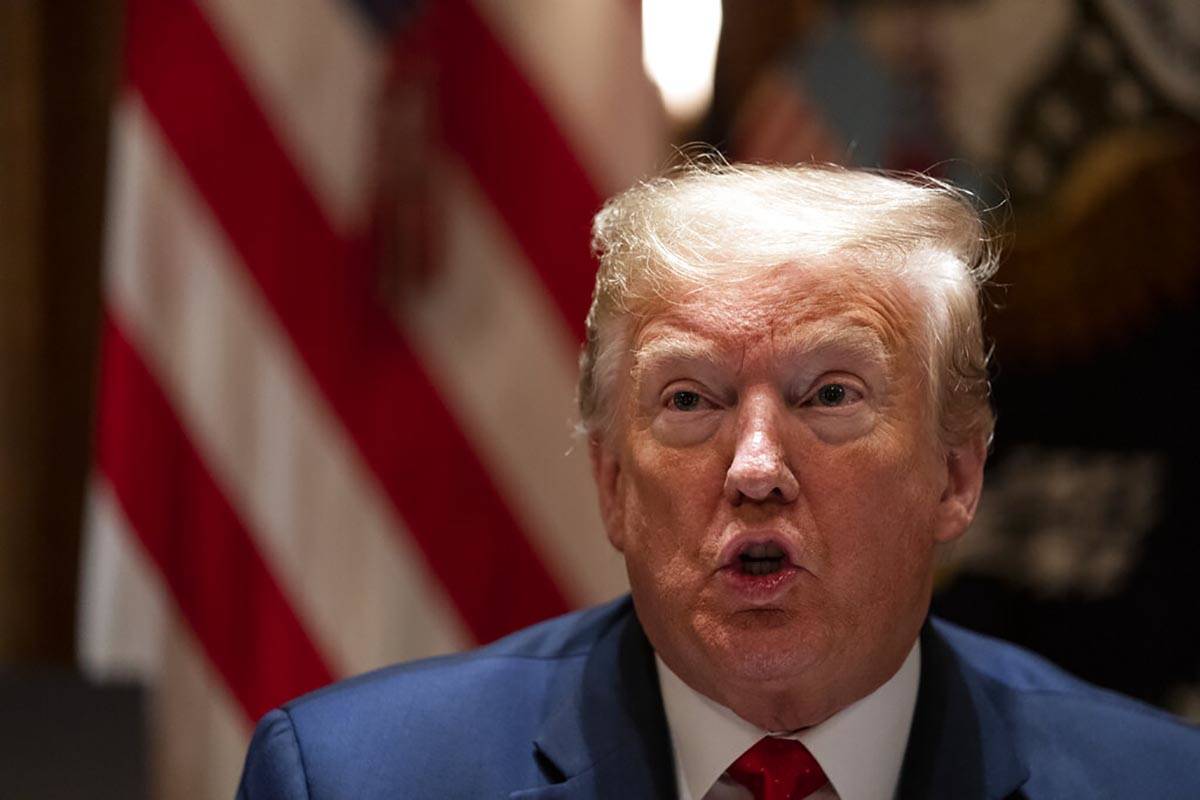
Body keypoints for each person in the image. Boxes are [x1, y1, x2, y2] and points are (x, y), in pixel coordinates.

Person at [237, 163, 1200, 799]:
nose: (754, 469)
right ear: (612, 482)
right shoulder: (358, 780)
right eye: (690, 401)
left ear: (956, 474)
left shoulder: (1156, 784)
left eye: (829, 393)